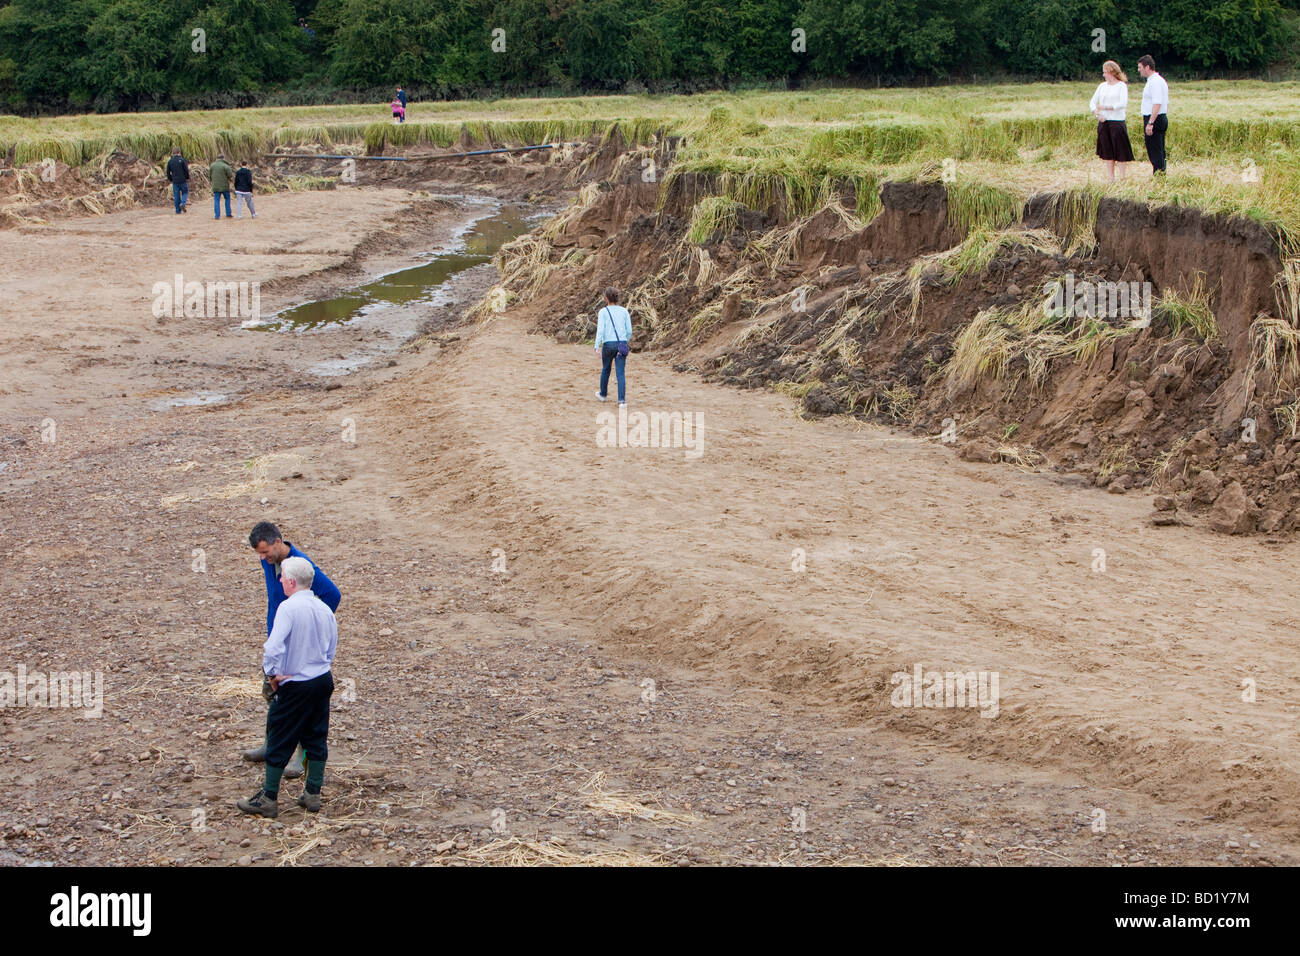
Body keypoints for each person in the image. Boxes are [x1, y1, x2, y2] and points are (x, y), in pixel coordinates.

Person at [236, 556, 338, 818]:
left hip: (295, 683)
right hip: (322, 680)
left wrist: (272, 674)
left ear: (291, 581)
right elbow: (330, 648)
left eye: (282, 577)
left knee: (280, 736)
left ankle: (269, 798)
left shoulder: (288, 608)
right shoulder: (324, 608)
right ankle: (313, 794)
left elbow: (273, 646)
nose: (280, 580)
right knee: (316, 735)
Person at [243, 522, 341, 778]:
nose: (263, 558)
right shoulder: (269, 562)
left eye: (265, 552)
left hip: (297, 650)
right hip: (277, 641)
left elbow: (332, 595)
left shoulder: (301, 566)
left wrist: (309, 626)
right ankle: (271, 745)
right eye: (259, 554)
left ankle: (301, 755)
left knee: (299, 700)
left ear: (278, 541)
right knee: (272, 695)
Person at [1089, 61, 1134, 182]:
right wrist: (1097, 114)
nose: (1103, 75)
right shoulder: (1102, 86)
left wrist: (1105, 107)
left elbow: (1122, 103)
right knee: (1107, 151)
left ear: (1111, 72)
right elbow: (1092, 103)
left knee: (1120, 151)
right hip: (1104, 122)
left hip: (1117, 122)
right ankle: (1111, 178)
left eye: (1105, 72)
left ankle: (1122, 178)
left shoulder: (1121, 86)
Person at [593, 287, 631, 407]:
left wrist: (596, 346)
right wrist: (625, 342)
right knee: (620, 372)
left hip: (608, 344)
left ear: (606, 298)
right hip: (621, 344)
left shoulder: (603, 312)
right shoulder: (624, 311)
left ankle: (603, 394)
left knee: (606, 369)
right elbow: (629, 330)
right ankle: (621, 400)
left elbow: (600, 330)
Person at [1138, 55, 1169, 176]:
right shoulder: (1157, 80)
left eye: (1140, 67)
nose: (1139, 70)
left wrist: (1150, 123)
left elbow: (1157, 103)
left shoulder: (1155, 82)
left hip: (1154, 118)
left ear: (1147, 67)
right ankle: (1160, 174)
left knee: (1155, 150)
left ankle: (1159, 176)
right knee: (1159, 149)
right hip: (1159, 117)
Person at [209, 153, 234, 219]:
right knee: (227, 199)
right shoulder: (225, 166)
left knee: (216, 200)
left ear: (217, 158)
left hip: (216, 186)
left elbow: (210, 175)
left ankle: (217, 215)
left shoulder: (212, 165)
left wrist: (212, 182)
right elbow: (230, 175)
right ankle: (228, 213)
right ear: (223, 158)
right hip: (225, 186)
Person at [166, 147, 189, 215]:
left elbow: (168, 172)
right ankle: (183, 203)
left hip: (175, 181)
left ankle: (178, 210)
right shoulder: (182, 160)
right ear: (179, 152)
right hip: (182, 180)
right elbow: (186, 170)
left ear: (173, 153)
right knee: (185, 192)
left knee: (176, 195)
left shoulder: (170, 161)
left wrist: (170, 179)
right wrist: (187, 177)